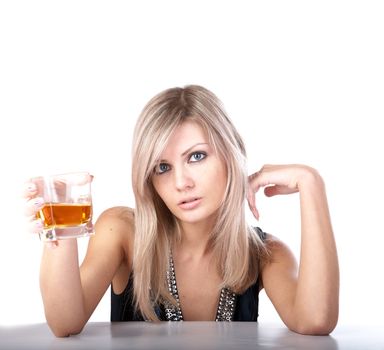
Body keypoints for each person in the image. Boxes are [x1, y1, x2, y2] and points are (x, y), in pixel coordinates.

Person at [23, 85, 339, 337]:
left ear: (231, 155)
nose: (180, 182)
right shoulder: (122, 231)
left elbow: (314, 321)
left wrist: (311, 184)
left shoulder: (265, 253)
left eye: (197, 157)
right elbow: (65, 323)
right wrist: (58, 231)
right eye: (162, 167)